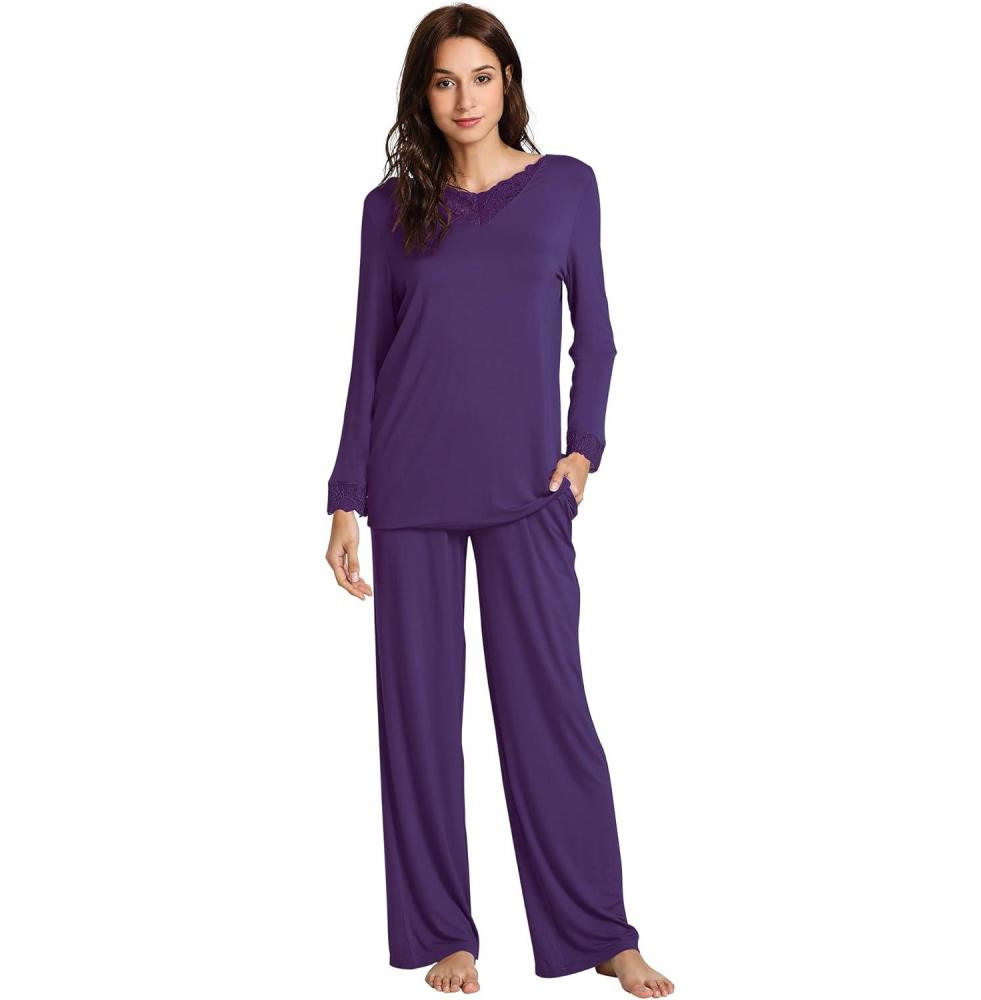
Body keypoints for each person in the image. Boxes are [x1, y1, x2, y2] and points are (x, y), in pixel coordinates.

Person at [325, 6, 674, 997]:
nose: (464, 98)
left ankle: (599, 932)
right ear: (423, 95)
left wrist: (583, 451)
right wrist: (345, 498)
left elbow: (596, 335)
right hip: (410, 489)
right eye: (444, 81)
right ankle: (446, 933)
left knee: (550, 713)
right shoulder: (389, 210)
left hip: (527, 489)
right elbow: (367, 360)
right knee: (419, 723)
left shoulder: (566, 187)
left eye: (480, 77)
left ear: (507, 82)